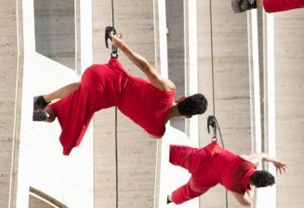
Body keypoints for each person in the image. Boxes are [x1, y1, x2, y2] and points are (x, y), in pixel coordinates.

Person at [32, 32, 208, 155]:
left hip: (102, 74)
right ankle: (47, 112)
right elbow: (152, 132)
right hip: (104, 95)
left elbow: (145, 67)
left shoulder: (168, 90)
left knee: (79, 90)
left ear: (184, 97)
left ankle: (43, 100)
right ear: (188, 116)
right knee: (72, 120)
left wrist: (121, 47)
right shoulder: (158, 130)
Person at [167, 141, 287, 206]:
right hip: (203, 179)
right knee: (188, 192)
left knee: (174, 153)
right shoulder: (237, 189)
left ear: (259, 170)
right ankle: (169, 199)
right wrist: (247, 187)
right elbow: (249, 202)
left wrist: (277, 162)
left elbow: (263, 155)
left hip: (204, 157)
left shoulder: (249, 161)